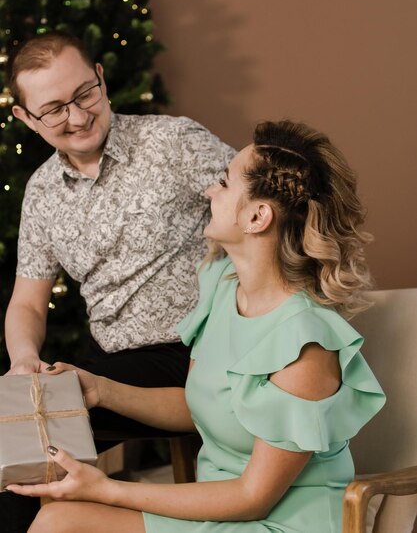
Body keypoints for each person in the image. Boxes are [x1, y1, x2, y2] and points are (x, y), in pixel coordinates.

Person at [7, 119, 386, 533]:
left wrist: (106, 489)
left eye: (223, 183)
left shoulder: (305, 345)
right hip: (220, 508)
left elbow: (253, 497)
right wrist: (103, 390)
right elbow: (197, 408)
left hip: (278, 522)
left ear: (258, 216)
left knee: (63, 523)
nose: (209, 190)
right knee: (58, 518)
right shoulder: (222, 287)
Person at [1, 30, 235, 533]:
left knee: (23, 445)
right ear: (24, 118)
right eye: (55, 108)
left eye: (85, 93)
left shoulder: (173, 141)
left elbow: (261, 211)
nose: (79, 116)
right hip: (116, 362)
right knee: (12, 448)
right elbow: (27, 304)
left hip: (203, 350)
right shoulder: (41, 193)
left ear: (101, 77)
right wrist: (23, 360)